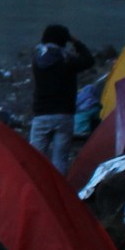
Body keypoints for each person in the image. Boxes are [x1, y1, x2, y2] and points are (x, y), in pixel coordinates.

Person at [28, 24, 95, 171]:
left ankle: (35, 189)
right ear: (64, 40)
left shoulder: (37, 60)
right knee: (60, 159)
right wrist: (76, 41)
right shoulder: (68, 61)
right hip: (64, 115)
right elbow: (89, 61)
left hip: (41, 114)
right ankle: (57, 191)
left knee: (34, 158)